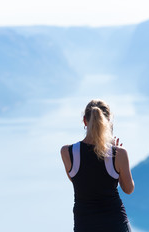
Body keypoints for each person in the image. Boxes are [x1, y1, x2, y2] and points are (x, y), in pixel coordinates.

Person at [60, 99, 135, 232]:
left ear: (84, 121)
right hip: (116, 225)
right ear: (108, 123)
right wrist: (115, 152)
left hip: (84, 226)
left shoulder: (67, 152)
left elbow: (81, 182)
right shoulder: (118, 154)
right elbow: (128, 189)